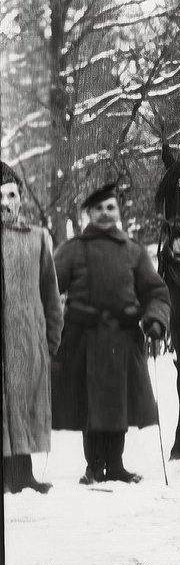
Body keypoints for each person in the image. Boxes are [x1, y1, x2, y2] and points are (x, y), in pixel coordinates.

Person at [53, 183, 171, 484]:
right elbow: (49, 286)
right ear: (89, 214)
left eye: (110, 208)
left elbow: (156, 291)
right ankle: (93, 465)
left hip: (123, 338)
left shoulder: (133, 252)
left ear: (118, 212)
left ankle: (116, 464)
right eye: (98, 209)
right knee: (89, 403)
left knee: (119, 402)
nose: (105, 213)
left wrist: (156, 318)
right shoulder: (73, 250)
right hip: (84, 340)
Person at [2, 163, 63, 494]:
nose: (5, 204)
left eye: (11, 195)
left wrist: (50, 340)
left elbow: (51, 296)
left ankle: (23, 475)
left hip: (28, 342)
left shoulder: (38, 238)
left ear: (20, 199)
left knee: (22, 403)